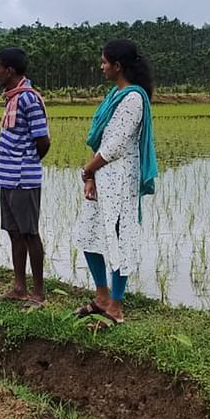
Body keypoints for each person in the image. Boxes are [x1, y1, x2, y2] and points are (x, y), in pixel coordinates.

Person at [73, 39, 158, 329]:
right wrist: (92, 177)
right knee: (89, 234)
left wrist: (87, 170)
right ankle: (101, 296)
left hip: (121, 180)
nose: (101, 66)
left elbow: (115, 146)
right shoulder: (114, 95)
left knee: (119, 239)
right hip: (103, 176)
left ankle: (116, 308)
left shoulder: (133, 99)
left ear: (118, 66)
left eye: (105, 62)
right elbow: (100, 140)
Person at [0, 47, 51, 307]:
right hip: (7, 177)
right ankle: (19, 287)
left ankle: (38, 293)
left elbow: (43, 140)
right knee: (15, 232)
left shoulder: (28, 99)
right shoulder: (11, 98)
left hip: (23, 178)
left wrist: (27, 162)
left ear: (10, 71)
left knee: (30, 233)